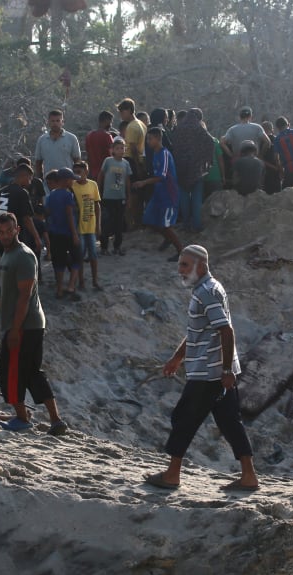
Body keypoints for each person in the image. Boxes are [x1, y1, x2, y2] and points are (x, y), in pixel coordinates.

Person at [145, 245, 259, 492]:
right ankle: (249, 476)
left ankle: (172, 474)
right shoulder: (209, 288)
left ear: (202, 266)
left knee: (183, 418)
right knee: (230, 422)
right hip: (216, 370)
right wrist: (177, 358)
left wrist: (227, 370)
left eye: (185, 265)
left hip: (209, 373)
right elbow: (200, 331)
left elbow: (226, 331)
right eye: (179, 265)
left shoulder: (205, 292)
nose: (180, 271)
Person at [0, 212, 70, 435]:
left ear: (17, 230)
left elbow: (25, 295)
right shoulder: (7, 254)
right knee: (31, 372)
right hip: (25, 324)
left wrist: (15, 329)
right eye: (1, 232)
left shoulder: (24, 255)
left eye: (9, 231)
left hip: (26, 325)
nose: (6, 235)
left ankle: (22, 418)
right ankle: (56, 420)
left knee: (9, 371)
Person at [133, 127, 184, 260]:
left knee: (166, 225)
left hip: (168, 195)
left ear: (158, 139)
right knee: (149, 220)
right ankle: (167, 239)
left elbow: (162, 176)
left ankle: (181, 251)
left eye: (150, 139)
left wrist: (144, 182)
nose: (148, 142)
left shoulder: (164, 154)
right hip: (158, 194)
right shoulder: (155, 154)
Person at [168, 108, 213, 232]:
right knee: (197, 197)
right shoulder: (199, 129)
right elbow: (210, 142)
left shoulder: (178, 129)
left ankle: (185, 223)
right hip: (197, 168)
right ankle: (197, 224)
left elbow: (173, 146)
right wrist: (206, 161)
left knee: (183, 197)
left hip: (180, 167)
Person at [44, 168, 82, 298]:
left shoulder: (51, 195)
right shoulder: (67, 195)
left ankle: (59, 289)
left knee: (58, 262)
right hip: (67, 233)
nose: (73, 182)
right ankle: (71, 287)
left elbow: (47, 213)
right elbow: (69, 215)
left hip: (54, 233)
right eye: (71, 179)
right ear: (65, 181)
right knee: (77, 259)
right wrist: (75, 234)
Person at [70, 161, 103, 290]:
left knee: (93, 255)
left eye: (79, 172)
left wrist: (98, 225)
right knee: (80, 256)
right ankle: (81, 281)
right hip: (79, 228)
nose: (77, 175)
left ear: (86, 172)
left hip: (91, 226)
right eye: (75, 172)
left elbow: (97, 205)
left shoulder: (93, 184)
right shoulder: (72, 186)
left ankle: (95, 280)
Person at [99, 138, 133, 255]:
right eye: (117, 148)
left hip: (120, 198)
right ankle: (104, 247)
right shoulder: (108, 161)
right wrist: (99, 191)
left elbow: (127, 181)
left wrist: (129, 197)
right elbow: (101, 176)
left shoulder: (126, 163)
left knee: (119, 224)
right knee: (107, 223)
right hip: (108, 197)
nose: (120, 150)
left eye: (122, 148)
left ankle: (117, 247)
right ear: (112, 150)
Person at [34, 109, 82, 177]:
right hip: (49, 182)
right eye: (52, 121)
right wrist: (39, 180)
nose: (55, 123)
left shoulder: (71, 138)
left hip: (67, 180)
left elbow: (77, 161)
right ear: (48, 122)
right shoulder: (42, 140)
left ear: (62, 122)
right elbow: (38, 162)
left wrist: (77, 178)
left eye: (58, 121)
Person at [85, 111, 116, 181]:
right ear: (106, 121)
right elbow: (113, 154)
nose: (111, 125)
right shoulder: (107, 136)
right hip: (105, 174)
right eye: (110, 122)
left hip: (92, 174)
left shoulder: (89, 135)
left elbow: (88, 154)